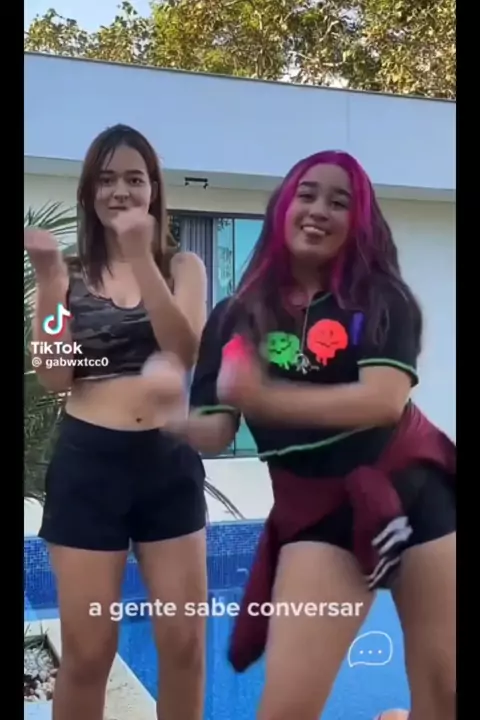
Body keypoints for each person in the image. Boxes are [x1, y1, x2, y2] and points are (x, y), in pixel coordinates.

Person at [178, 151, 456, 720]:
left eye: (339, 201)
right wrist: (165, 419)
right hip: (318, 513)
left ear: (359, 222)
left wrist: (261, 396)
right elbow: (216, 430)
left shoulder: (380, 300)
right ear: (282, 207)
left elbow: (382, 401)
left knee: (446, 688)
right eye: (306, 194)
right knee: (287, 708)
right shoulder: (235, 317)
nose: (319, 209)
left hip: (418, 493)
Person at [24, 124, 208, 720]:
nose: (121, 191)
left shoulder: (183, 267)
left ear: (154, 190)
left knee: (184, 647)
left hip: (166, 465)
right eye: (106, 180)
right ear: (89, 192)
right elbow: (54, 375)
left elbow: (184, 349)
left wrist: (140, 259)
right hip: (89, 466)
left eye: (134, 178)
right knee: (87, 654)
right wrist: (50, 285)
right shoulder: (71, 272)